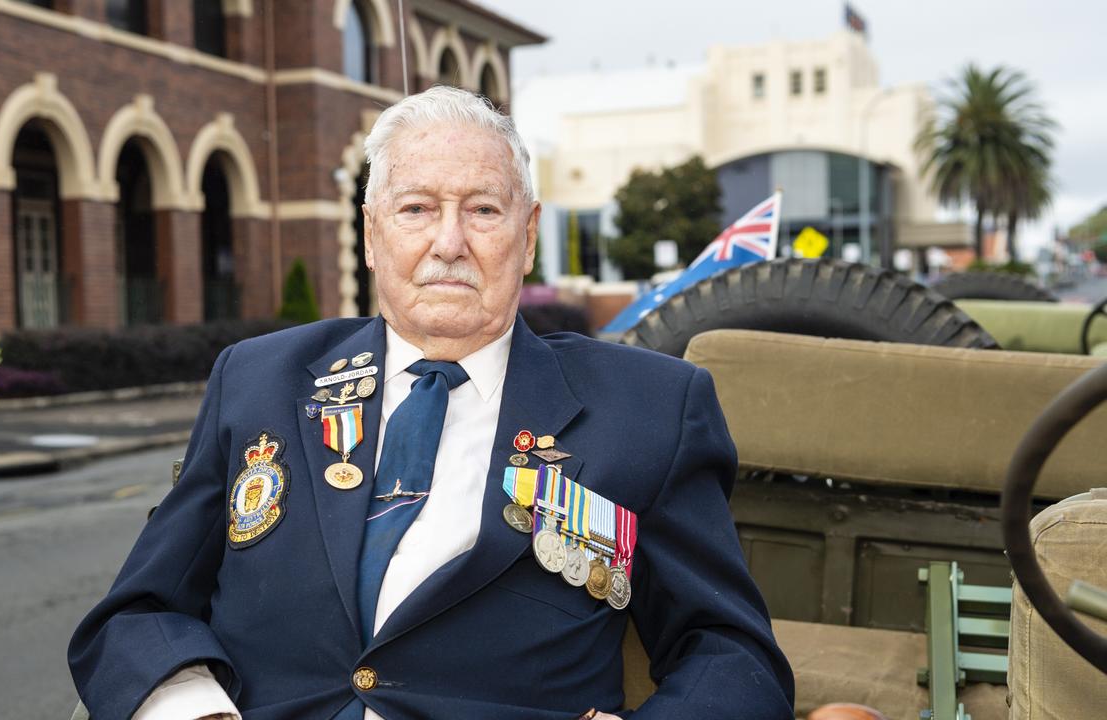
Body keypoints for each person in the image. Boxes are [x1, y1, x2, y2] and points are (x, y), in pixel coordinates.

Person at [69, 86, 794, 720]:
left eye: (482, 209)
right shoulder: (257, 381)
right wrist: (193, 710)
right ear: (372, 236)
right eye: (416, 208)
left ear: (529, 233)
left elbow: (732, 654)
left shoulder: (649, 409)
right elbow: (137, 612)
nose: (449, 242)